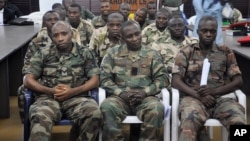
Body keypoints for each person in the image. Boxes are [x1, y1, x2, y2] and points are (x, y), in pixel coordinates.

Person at [23, 21, 103, 141]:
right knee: (39, 116)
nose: (60, 38)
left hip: (77, 97)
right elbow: (28, 79)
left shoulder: (84, 52)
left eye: (64, 34)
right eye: (56, 35)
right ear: (52, 37)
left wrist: (73, 91)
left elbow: (95, 80)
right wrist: (50, 91)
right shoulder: (44, 53)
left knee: (94, 113)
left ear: (71, 34)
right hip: (48, 98)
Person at [172, 15, 246, 141]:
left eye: (212, 31)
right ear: (197, 31)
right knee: (189, 121)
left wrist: (214, 91)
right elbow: (176, 81)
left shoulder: (225, 52)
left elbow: (238, 81)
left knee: (239, 123)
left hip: (221, 99)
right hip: (193, 99)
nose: (208, 34)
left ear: (216, 32)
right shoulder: (186, 51)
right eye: (204, 31)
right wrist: (198, 95)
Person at [100, 20, 169, 141]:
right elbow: (104, 79)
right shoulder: (112, 54)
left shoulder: (152, 54)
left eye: (137, 34)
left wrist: (145, 92)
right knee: (107, 106)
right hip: (120, 98)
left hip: (146, 98)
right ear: (122, 38)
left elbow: (162, 79)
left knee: (156, 109)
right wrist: (120, 93)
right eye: (130, 36)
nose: (135, 38)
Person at [17, 10, 81, 123]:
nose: (52, 22)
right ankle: (26, 121)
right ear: (44, 23)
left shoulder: (70, 40)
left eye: (55, 19)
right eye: (49, 20)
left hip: (69, 80)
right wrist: (45, 80)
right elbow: (27, 68)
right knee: (23, 89)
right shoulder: (36, 42)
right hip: (42, 79)